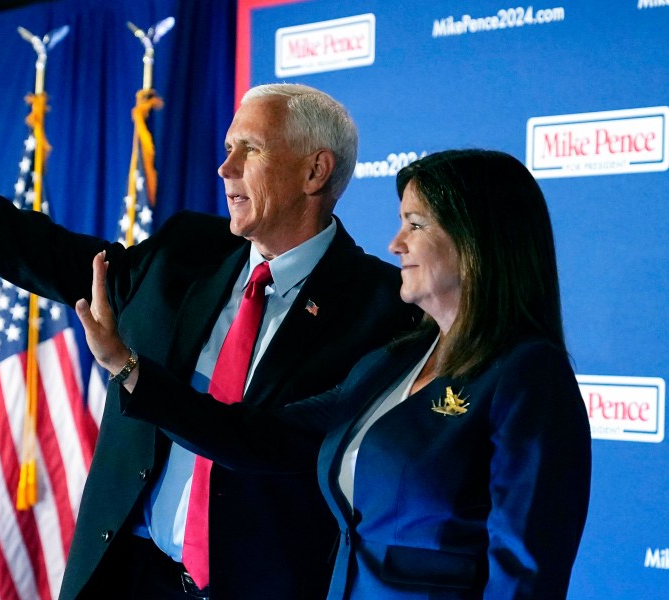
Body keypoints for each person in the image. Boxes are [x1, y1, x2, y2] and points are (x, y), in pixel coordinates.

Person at [0, 54, 418, 599]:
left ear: (316, 171)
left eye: (250, 150)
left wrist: (129, 370)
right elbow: (43, 251)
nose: (226, 167)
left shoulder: (377, 308)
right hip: (126, 573)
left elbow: (275, 444)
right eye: (227, 146)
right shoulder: (185, 252)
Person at [77, 149, 593, 599]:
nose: (395, 244)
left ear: (477, 240)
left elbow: (526, 571)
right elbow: (261, 437)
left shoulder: (527, 373)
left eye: (415, 224)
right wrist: (127, 367)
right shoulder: (394, 360)